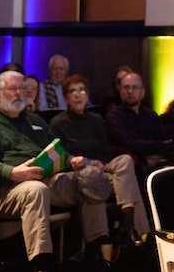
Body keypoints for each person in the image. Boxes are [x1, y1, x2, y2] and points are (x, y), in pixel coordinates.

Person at [0, 70, 120, 272]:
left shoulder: (35, 121)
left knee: (90, 178)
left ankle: (95, 258)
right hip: (7, 189)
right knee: (35, 190)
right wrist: (12, 172)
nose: (20, 93)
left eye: (22, 88)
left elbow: (55, 149)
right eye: (13, 89)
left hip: (47, 180)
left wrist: (71, 160)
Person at [49, 74, 150, 246]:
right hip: (79, 172)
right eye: (72, 91)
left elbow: (104, 151)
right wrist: (83, 161)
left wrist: (101, 163)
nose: (78, 95)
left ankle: (127, 220)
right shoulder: (58, 123)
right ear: (66, 98)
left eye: (81, 90)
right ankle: (137, 232)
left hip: (101, 167)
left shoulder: (95, 120)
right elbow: (58, 155)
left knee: (125, 161)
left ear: (87, 95)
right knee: (127, 184)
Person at [105, 71, 174, 169]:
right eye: (126, 87)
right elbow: (130, 144)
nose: (130, 91)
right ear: (120, 91)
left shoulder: (150, 114)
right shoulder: (115, 116)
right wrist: (159, 145)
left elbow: (163, 138)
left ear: (142, 92)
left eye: (134, 87)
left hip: (157, 157)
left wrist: (161, 147)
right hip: (133, 162)